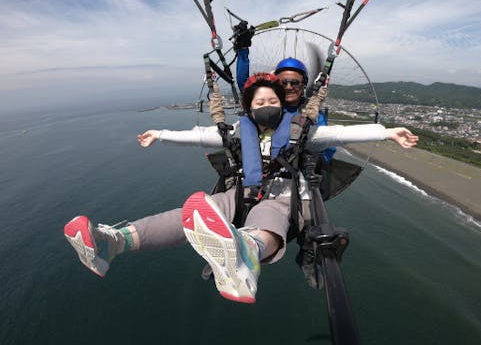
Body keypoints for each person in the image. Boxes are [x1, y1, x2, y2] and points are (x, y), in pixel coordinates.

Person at [64, 73, 418, 303]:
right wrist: (160, 134)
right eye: (259, 102)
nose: (266, 106)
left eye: (273, 101)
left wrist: (388, 132)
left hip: (289, 197)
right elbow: (199, 136)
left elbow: (341, 132)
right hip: (245, 193)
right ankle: (111, 242)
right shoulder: (240, 132)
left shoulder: (302, 132)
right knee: (194, 212)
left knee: (270, 214)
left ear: (283, 105)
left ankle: (246, 254)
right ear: (249, 108)